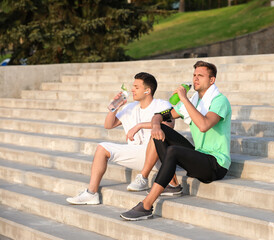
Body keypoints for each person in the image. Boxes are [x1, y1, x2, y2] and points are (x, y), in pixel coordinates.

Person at [120, 61, 232, 220]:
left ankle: (146, 206)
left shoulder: (219, 101)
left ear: (212, 80)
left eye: (200, 76)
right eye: (194, 75)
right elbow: (160, 115)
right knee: (161, 132)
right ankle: (172, 185)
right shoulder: (194, 101)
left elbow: (204, 125)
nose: (195, 79)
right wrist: (156, 125)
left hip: (216, 165)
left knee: (173, 150)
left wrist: (184, 99)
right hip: (199, 156)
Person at [66, 72, 176, 205]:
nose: (132, 90)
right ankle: (91, 193)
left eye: (136, 87)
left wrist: (139, 126)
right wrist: (114, 107)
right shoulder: (130, 107)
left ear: (147, 90)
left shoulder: (163, 105)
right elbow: (109, 125)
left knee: (155, 137)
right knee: (102, 147)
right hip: (136, 153)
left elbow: (168, 125)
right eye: (133, 86)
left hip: (157, 155)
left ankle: (143, 178)